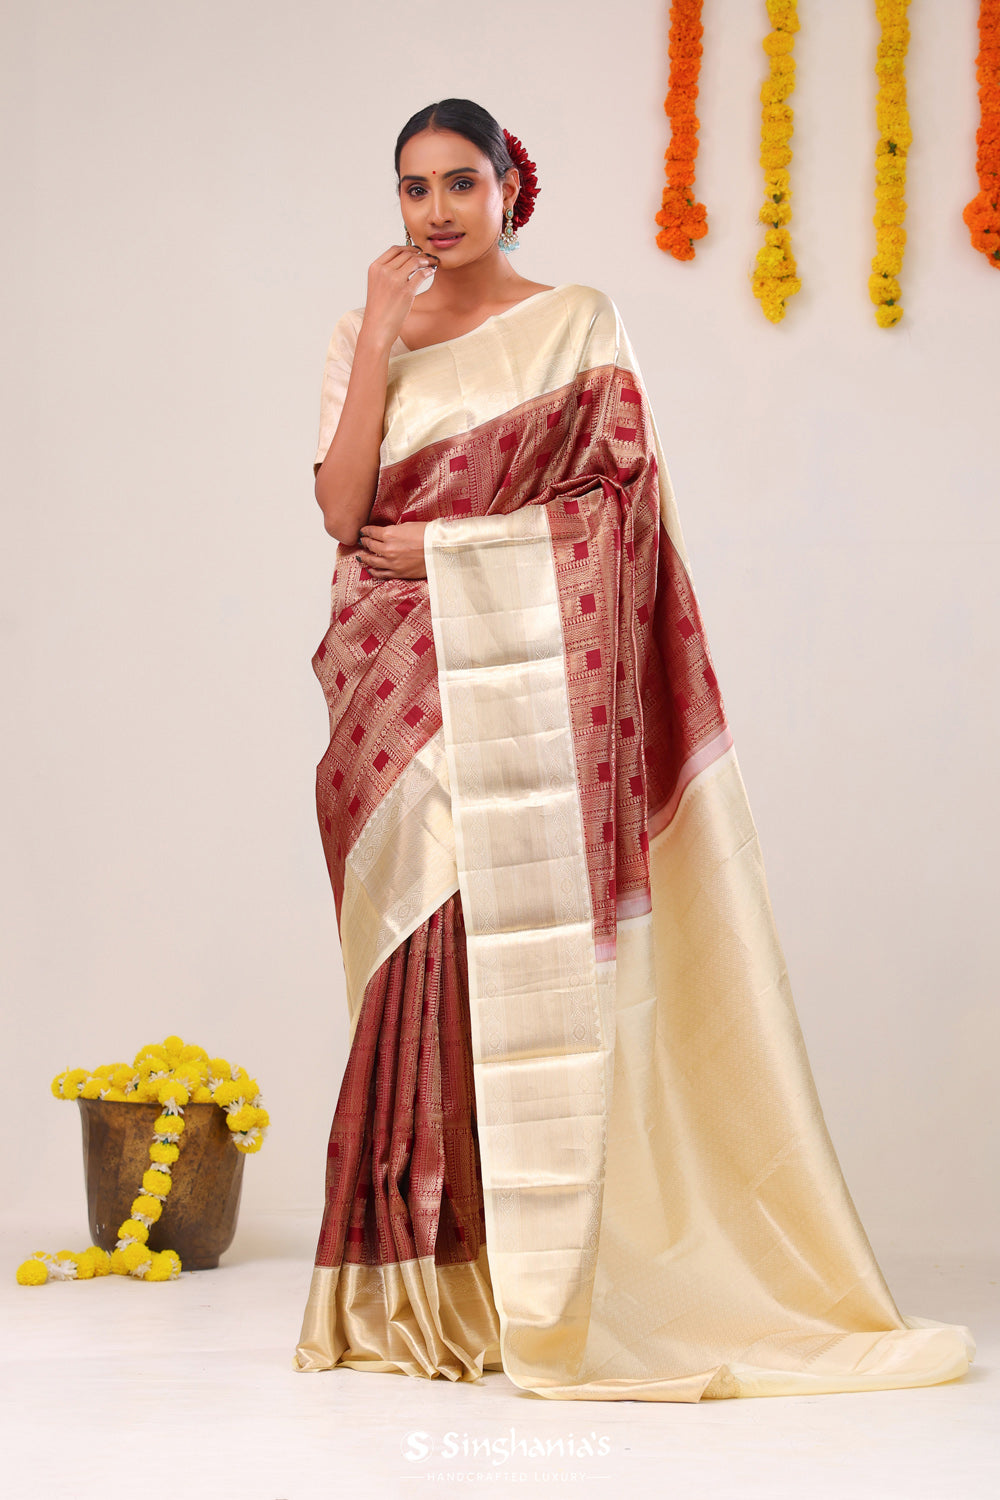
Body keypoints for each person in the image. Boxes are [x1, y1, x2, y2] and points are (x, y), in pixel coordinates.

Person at [294, 98, 974, 1401]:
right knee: (419, 953)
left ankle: (535, 1279)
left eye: (461, 182)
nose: (436, 211)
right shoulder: (359, 333)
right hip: (399, 679)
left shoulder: (576, 324)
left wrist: (449, 551)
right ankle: (423, 1287)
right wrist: (379, 332)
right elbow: (339, 510)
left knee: (509, 956)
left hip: (528, 687)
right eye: (414, 188)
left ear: (510, 187)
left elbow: (621, 516)